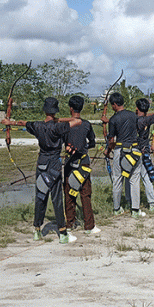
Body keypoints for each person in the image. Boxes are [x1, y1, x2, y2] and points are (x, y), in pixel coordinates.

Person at [1, 97, 81, 244]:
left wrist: (9, 122)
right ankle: (63, 234)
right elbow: (77, 121)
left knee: (41, 196)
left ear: (45, 110)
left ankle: (37, 230)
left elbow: (22, 123)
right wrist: (57, 120)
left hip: (42, 164)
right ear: (55, 111)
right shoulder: (58, 127)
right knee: (57, 199)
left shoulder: (37, 126)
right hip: (54, 165)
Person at [102, 92, 145, 218]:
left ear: (115, 104)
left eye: (112, 105)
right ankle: (135, 209)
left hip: (120, 150)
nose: (111, 107)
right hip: (135, 150)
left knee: (117, 180)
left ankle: (116, 208)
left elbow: (111, 140)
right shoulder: (133, 115)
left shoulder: (114, 119)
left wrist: (107, 151)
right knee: (134, 180)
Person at [62, 96, 100, 234]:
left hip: (69, 162)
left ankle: (70, 223)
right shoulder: (86, 124)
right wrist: (83, 147)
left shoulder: (65, 125)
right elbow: (93, 142)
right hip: (83, 163)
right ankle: (89, 226)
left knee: (69, 193)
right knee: (85, 194)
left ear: (70, 108)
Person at [134, 98, 154, 211]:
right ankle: (152, 204)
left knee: (132, 179)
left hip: (132, 152)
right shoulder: (146, 120)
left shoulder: (133, 118)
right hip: (142, 151)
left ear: (137, 109)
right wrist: (150, 116)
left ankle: (130, 202)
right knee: (146, 178)